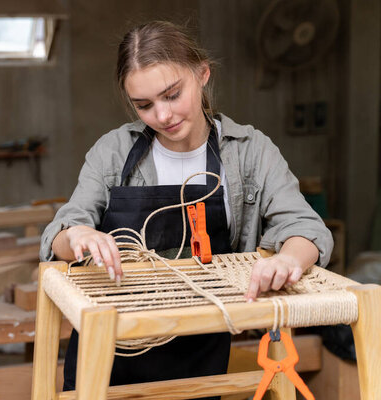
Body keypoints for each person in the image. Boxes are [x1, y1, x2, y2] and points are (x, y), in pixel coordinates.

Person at [39, 20, 333, 395]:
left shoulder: (249, 152)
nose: (162, 116)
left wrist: (287, 260)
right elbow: (59, 236)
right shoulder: (112, 152)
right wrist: (77, 235)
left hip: (201, 347)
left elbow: (304, 226)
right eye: (144, 105)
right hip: (110, 347)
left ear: (203, 73)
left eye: (172, 95)